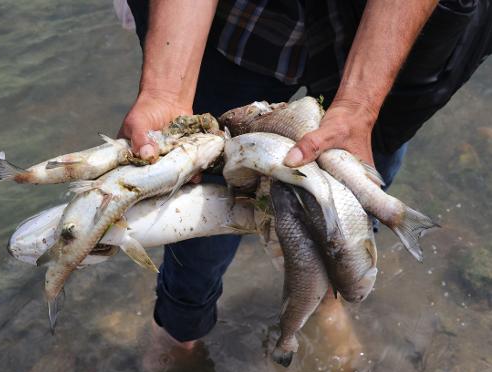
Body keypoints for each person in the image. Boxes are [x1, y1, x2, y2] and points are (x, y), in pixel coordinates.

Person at [118, 0, 492, 349]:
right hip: (244, 23)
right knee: (196, 218)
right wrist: (165, 93)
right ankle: (181, 325)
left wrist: (360, 105)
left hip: (378, 29)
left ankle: (326, 295)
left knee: (350, 200)